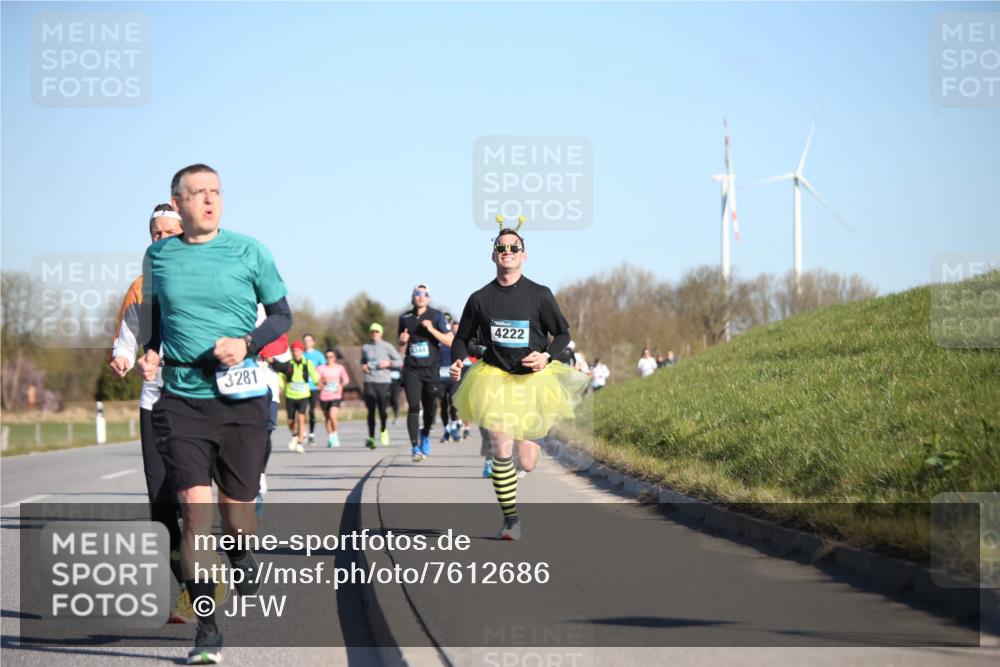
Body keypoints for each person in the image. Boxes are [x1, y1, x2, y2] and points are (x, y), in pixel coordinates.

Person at [136, 163, 291, 665]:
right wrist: (151, 352)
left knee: (237, 513)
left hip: (241, 398)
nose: (209, 200)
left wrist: (246, 342)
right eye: (197, 193)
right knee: (192, 511)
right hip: (181, 398)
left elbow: (284, 316)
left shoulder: (250, 250)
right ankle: (208, 630)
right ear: (176, 204)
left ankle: (242, 551)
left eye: (216, 192)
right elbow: (155, 323)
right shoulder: (158, 257)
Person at [449, 215, 588, 540]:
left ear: (523, 254)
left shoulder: (539, 294)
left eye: (514, 247)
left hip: (532, 382)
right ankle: (511, 519)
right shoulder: (480, 298)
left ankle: (531, 450)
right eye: (501, 247)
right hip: (494, 378)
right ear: (493, 254)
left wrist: (547, 355)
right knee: (500, 446)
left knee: (525, 461)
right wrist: (458, 361)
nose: (507, 251)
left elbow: (563, 334)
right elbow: (461, 338)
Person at [110, 203, 196, 622]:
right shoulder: (140, 287)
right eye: (154, 234)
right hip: (154, 400)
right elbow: (126, 338)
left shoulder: (204, 278)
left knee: (196, 500)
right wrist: (123, 358)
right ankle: (189, 589)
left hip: (199, 400)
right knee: (161, 507)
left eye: (168, 232)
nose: (160, 240)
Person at [398, 284, 453, 462]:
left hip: (431, 369)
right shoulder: (405, 318)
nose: (420, 297)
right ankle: (415, 447)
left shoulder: (436, 315)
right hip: (411, 369)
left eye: (423, 294)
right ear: (413, 297)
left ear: (428, 297)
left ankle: (425, 434)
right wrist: (401, 340)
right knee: (414, 406)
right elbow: (401, 342)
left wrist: (431, 329)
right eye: (417, 294)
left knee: (430, 407)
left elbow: (450, 341)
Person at [271, 340, 320, 453]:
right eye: (293, 351)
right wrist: (280, 385)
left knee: (301, 418)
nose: (295, 353)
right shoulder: (288, 364)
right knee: (290, 421)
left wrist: (319, 382)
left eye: (297, 350)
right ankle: (294, 434)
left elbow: (315, 375)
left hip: (303, 395)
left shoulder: (308, 363)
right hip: (290, 395)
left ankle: (300, 442)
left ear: (302, 351)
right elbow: (279, 375)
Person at [361, 323, 402, 448]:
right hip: (369, 380)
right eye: (372, 331)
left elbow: (399, 361)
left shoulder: (387, 346)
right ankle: (371, 437)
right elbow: (362, 360)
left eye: (377, 331)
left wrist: (388, 363)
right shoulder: (365, 347)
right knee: (371, 409)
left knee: (382, 410)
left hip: (383, 381)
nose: (374, 334)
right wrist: (363, 365)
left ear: (381, 333)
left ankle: (383, 429)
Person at [317, 349, 350, 447]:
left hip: (336, 395)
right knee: (327, 418)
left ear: (334, 358)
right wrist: (321, 382)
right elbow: (316, 380)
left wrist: (341, 385)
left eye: (331, 357)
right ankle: (330, 438)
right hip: (324, 396)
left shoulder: (340, 368)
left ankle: (335, 435)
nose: (329, 359)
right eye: (327, 357)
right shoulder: (320, 368)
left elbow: (346, 379)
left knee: (332, 416)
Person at [438, 315, 463, 443]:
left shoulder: (457, 340)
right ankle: (446, 429)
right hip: (440, 377)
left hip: (453, 377)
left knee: (453, 403)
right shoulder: (437, 340)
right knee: (442, 405)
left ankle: (454, 427)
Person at [301, 333, 325, 443]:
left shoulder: (319, 355)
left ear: (313, 342)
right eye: (305, 340)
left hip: (314, 387)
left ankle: (311, 433)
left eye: (309, 340)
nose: (307, 342)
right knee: (302, 410)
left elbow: (323, 370)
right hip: (302, 387)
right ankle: (303, 432)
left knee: (311, 411)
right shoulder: (300, 355)